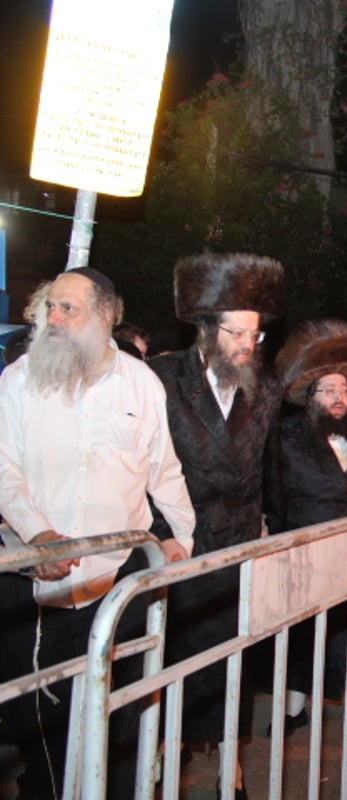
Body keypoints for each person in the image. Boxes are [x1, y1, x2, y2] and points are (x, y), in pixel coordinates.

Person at [0, 268, 195, 799]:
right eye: (49, 309)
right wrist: (37, 536)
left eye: (69, 309)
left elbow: (164, 469)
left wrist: (179, 536)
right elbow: (3, 468)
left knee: (121, 720)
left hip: (121, 580)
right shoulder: (18, 380)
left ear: (106, 315)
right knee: (42, 727)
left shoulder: (141, 383)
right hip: (37, 584)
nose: (54, 320)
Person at [149, 253, 286, 799]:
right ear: (207, 329)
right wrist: (161, 535)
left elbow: (266, 467)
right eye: (236, 332)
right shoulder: (160, 377)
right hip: (180, 544)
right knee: (173, 661)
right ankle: (166, 757)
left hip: (238, 545)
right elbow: (144, 466)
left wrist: (271, 527)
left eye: (255, 335)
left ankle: (231, 762)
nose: (247, 345)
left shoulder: (267, 386)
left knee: (234, 661)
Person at [270, 319, 347, 734]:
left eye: (344, 390)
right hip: (307, 550)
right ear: (311, 397)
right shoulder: (286, 437)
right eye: (329, 390)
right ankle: (295, 705)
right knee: (306, 632)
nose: (339, 396)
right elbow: (274, 497)